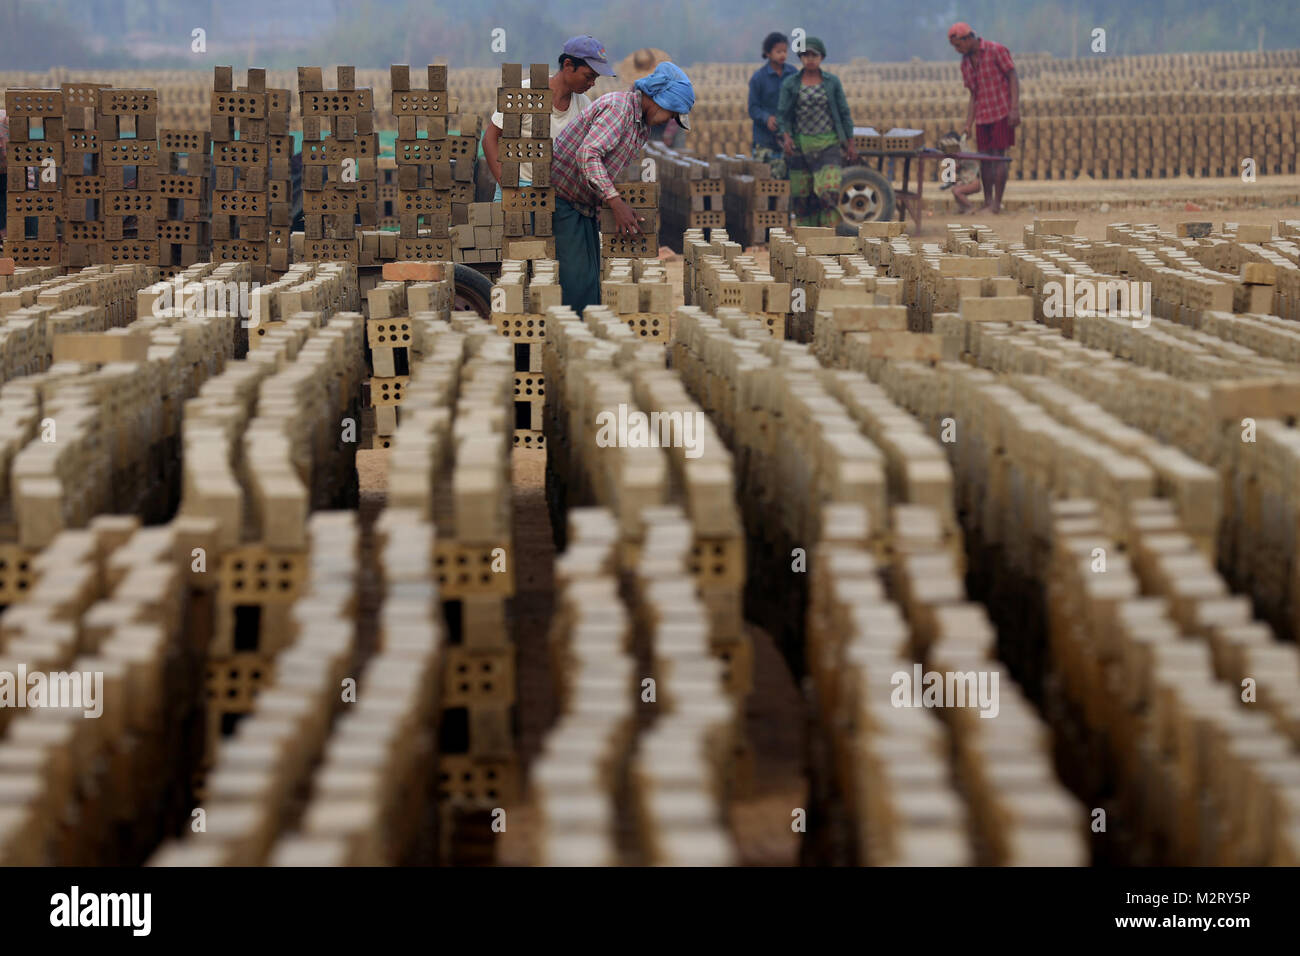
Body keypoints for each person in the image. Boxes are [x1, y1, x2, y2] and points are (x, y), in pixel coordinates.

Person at [551, 61, 694, 314]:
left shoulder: (641, 128)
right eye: (671, 113)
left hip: (584, 207)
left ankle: (588, 337)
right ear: (658, 98)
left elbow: (604, 167)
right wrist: (615, 202)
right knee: (575, 284)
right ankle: (572, 341)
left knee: (590, 282)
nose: (668, 121)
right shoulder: (620, 109)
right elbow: (588, 155)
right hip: (563, 204)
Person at [483, 35, 615, 201]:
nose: (592, 83)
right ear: (568, 65)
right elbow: (490, 139)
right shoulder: (524, 93)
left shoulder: (584, 106)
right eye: (588, 76)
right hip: (517, 189)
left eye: (595, 78)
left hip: (556, 196)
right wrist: (506, 184)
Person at [776, 37, 858, 227]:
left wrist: (850, 142)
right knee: (803, 200)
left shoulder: (832, 82)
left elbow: (844, 112)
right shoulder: (790, 84)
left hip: (828, 145)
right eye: (806, 55)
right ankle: (808, 240)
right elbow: (783, 115)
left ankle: (828, 238)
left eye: (814, 55)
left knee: (829, 195)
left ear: (822, 57)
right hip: (800, 146)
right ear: (801, 58)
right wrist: (786, 138)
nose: (810, 59)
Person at [949, 21, 1019, 214]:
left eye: (959, 45)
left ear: (969, 38)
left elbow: (1013, 76)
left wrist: (1014, 108)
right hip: (982, 117)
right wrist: (968, 124)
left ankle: (997, 203)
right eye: (954, 47)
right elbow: (973, 95)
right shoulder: (965, 63)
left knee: (998, 158)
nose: (957, 49)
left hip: (1002, 112)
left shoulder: (996, 50)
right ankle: (988, 202)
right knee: (985, 160)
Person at [749, 32, 797, 179]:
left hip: (788, 137)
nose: (782, 55)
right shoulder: (759, 78)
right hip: (765, 139)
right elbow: (753, 108)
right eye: (778, 51)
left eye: (785, 51)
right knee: (765, 183)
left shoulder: (793, 74)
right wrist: (766, 118)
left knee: (789, 184)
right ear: (768, 53)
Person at [938, 130, 981, 214]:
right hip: (969, 180)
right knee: (955, 189)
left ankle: (970, 207)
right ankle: (963, 208)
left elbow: (956, 168)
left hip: (973, 182)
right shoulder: (960, 152)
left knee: (957, 191)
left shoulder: (962, 152)